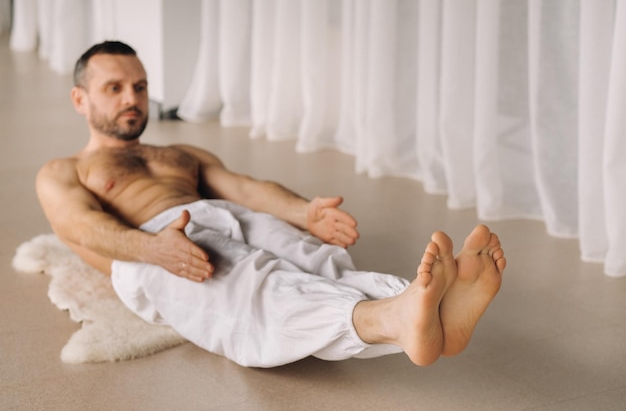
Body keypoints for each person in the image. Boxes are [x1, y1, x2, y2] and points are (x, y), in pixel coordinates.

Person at [36, 40, 506, 368]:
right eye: (114, 88)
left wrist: (305, 213)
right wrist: (151, 248)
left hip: (223, 216)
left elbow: (243, 188)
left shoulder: (179, 153)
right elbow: (80, 227)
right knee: (251, 285)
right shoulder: (65, 170)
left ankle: (435, 313)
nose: (132, 98)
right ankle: (393, 318)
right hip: (153, 243)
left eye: (139, 86)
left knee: (314, 260)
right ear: (80, 99)